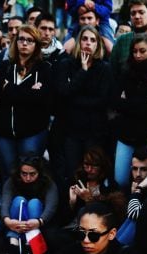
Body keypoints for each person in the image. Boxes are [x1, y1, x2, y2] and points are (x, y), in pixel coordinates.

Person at [0, 25, 52, 187]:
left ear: (36, 45)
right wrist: (28, 93)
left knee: (29, 175)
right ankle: (6, 211)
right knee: (8, 176)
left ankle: (29, 209)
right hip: (3, 132)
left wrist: (9, 89)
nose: (24, 43)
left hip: (32, 132)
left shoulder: (44, 69)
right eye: (21, 39)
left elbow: (42, 100)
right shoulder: (4, 67)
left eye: (30, 40)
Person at [55, 25, 112, 181]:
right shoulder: (67, 64)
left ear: (97, 45)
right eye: (84, 39)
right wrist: (83, 70)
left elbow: (102, 101)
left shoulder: (105, 68)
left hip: (95, 131)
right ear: (79, 42)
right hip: (71, 131)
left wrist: (74, 100)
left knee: (93, 173)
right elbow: (63, 93)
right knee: (72, 173)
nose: (88, 43)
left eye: (92, 40)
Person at [111, 34, 147, 191]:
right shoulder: (126, 74)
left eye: (142, 51)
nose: (138, 55)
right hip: (126, 135)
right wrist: (140, 103)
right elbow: (115, 102)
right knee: (120, 180)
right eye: (135, 51)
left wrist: (129, 103)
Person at [0, 155, 58, 254]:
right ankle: (13, 247)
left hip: (37, 223)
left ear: (39, 173)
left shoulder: (48, 182)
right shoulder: (12, 181)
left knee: (34, 203)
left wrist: (39, 221)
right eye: (24, 174)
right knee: (18, 200)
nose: (28, 178)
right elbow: (5, 202)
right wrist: (7, 221)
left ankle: (29, 248)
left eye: (32, 174)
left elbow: (51, 206)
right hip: (15, 223)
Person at [115, 147, 147, 245]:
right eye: (134, 169)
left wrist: (136, 192)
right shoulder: (124, 190)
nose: (138, 174)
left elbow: (134, 215)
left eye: (144, 169)